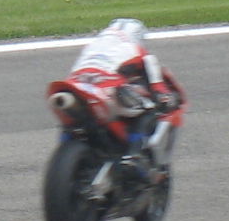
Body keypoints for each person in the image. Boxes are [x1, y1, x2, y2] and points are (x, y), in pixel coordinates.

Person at [56, 18, 185, 176]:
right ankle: (134, 155)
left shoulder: (92, 46)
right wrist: (162, 95)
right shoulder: (134, 48)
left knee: (72, 123)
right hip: (107, 86)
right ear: (135, 35)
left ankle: (66, 148)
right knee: (148, 109)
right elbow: (155, 79)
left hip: (75, 86)